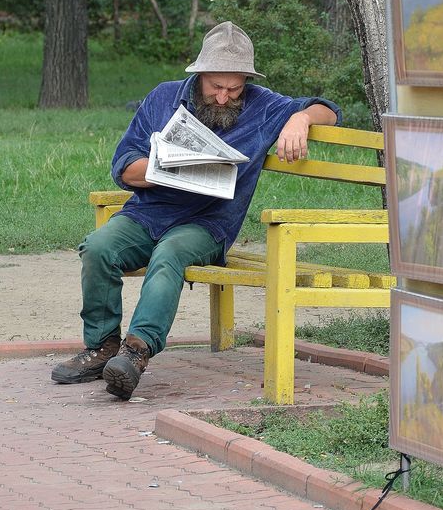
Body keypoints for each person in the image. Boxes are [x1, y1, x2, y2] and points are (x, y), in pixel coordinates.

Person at [51, 21, 340, 399]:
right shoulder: (163, 98)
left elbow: (330, 110)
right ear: (200, 75)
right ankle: (103, 347)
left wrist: (300, 119)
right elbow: (123, 165)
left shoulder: (262, 105)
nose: (223, 97)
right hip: (148, 212)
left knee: (170, 254)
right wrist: (169, 171)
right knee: (98, 246)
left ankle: (135, 354)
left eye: (234, 89)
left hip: (208, 223)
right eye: (216, 87)